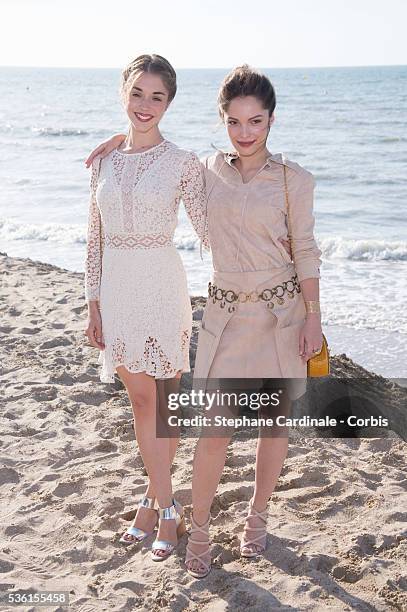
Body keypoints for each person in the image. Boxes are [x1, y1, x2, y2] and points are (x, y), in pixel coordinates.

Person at [86, 64, 323, 578]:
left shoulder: (293, 180)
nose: (245, 132)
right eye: (234, 122)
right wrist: (118, 142)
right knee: (212, 430)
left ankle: (257, 517)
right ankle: (198, 523)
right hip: (224, 312)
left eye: (255, 121)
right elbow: (149, 162)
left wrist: (313, 317)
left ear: (270, 121)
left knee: (272, 423)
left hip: (281, 314)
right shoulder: (206, 169)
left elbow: (305, 249)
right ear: (222, 122)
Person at [84, 54, 209, 562]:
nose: (145, 105)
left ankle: (160, 506)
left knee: (162, 404)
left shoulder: (183, 164)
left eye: (157, 96)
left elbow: (210, 228)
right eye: (138, 93)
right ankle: (162, 500)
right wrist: (92, 303)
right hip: (116, 289)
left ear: (170, 103)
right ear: (123, 93)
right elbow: (93, 239)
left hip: (162, 284)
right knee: (140, 401)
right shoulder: (104, 161)